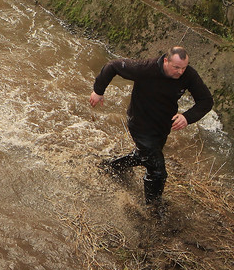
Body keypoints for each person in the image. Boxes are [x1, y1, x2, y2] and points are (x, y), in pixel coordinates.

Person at [91, 47, 214, 206]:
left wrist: (187, 117)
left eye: (183, 68)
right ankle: (153, 208)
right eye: (176, 67)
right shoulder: (145, 68)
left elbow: (206, 101)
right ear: (165, 61)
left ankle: (113, 166)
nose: (180, 72)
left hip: (162, 125)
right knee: (157, 171)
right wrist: (98, 90)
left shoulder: (189, 75)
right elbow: (112, 66)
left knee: (146, 155)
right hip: (140, 123)